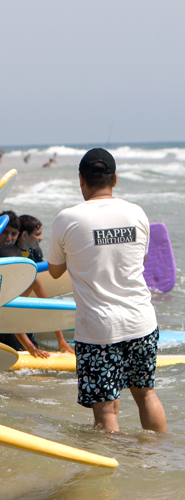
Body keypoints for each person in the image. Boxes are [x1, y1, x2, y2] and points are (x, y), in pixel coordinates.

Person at [48, 148, 166, 433]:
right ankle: (158, 459)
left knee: (106, 408)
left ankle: (118, 470)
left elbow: (54, 271)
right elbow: (142, 261)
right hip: (142, 322)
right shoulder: (137, 213)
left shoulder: (67, 218)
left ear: (81, 179)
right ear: (115, 179)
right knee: (146, 393)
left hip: (99, 328)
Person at [16, 214, 73, 354]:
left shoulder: (35, 252)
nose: (41, 238)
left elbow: (44, 298)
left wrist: (61, 339)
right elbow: (12, 308)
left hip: (22, 307)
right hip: (10, 313)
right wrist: (32, 348)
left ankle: (60, 340)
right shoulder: (11, 255)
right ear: (24, 235)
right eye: (37, 234)